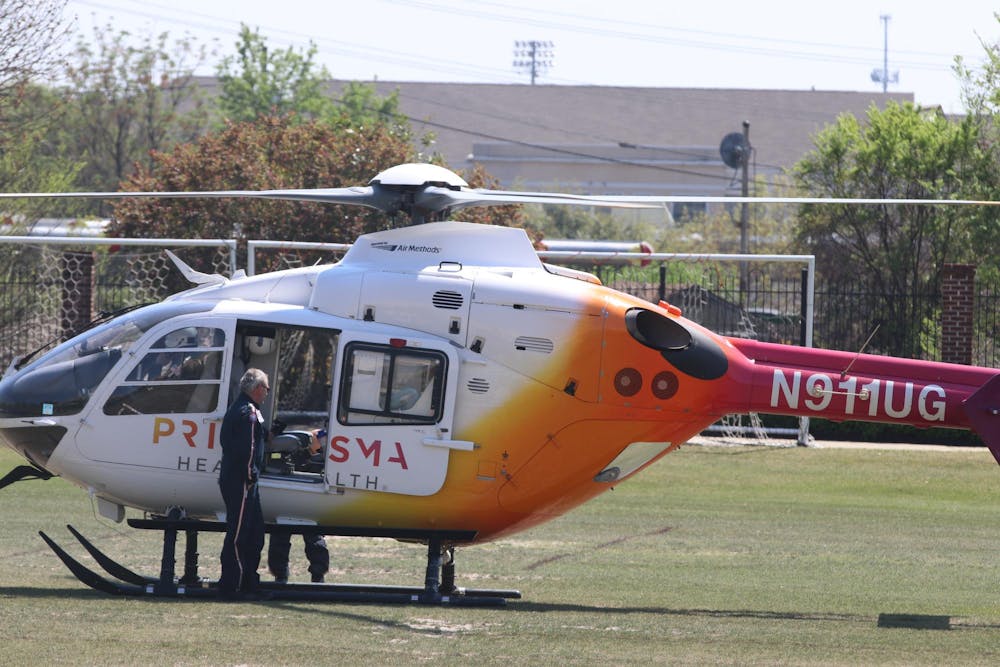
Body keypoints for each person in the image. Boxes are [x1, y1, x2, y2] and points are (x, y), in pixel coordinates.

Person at [217, 368, 270, 600]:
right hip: (241, 481)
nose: (267, 392)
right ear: (258, 388)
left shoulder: (245, 409)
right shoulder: (247, 412)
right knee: (239, 535)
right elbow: (246, 449)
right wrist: (250, 476)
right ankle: (232, 586)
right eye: (266, 388)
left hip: (245, 482)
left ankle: (249, 582)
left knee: (255, 533)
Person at [267, 428, 329, 584]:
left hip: (303, 501)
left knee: (311, 538)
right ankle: (284, 574)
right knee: (284, 537)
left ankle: (314, 574)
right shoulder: (301, 451)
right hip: (295, 500)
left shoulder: (321, 453)